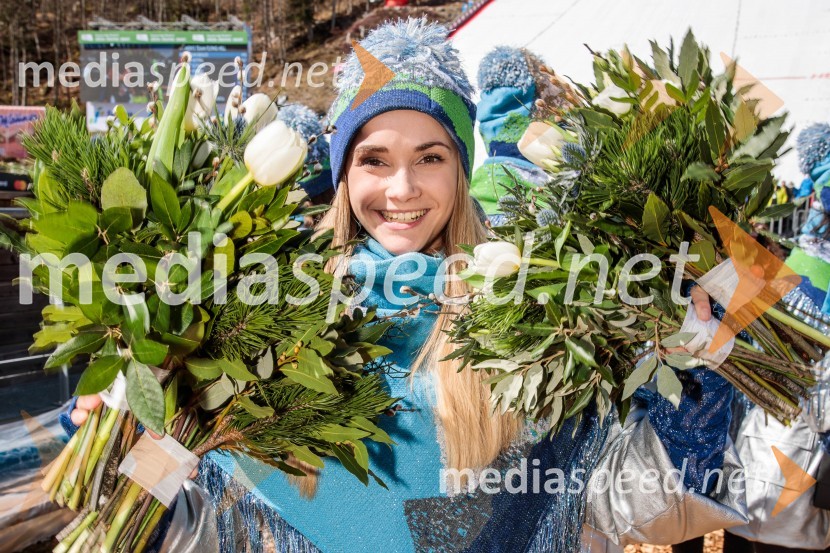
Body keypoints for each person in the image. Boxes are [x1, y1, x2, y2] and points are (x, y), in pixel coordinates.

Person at [68, 18, 748, 553]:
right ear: (342, 175)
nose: (402, 189)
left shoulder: (529, 320)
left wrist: (699, 369)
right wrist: (133, 433)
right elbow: (196, 525)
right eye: (374, 159)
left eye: (430, 157)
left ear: (461, 170)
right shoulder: (265, 323)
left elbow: (624, 497)